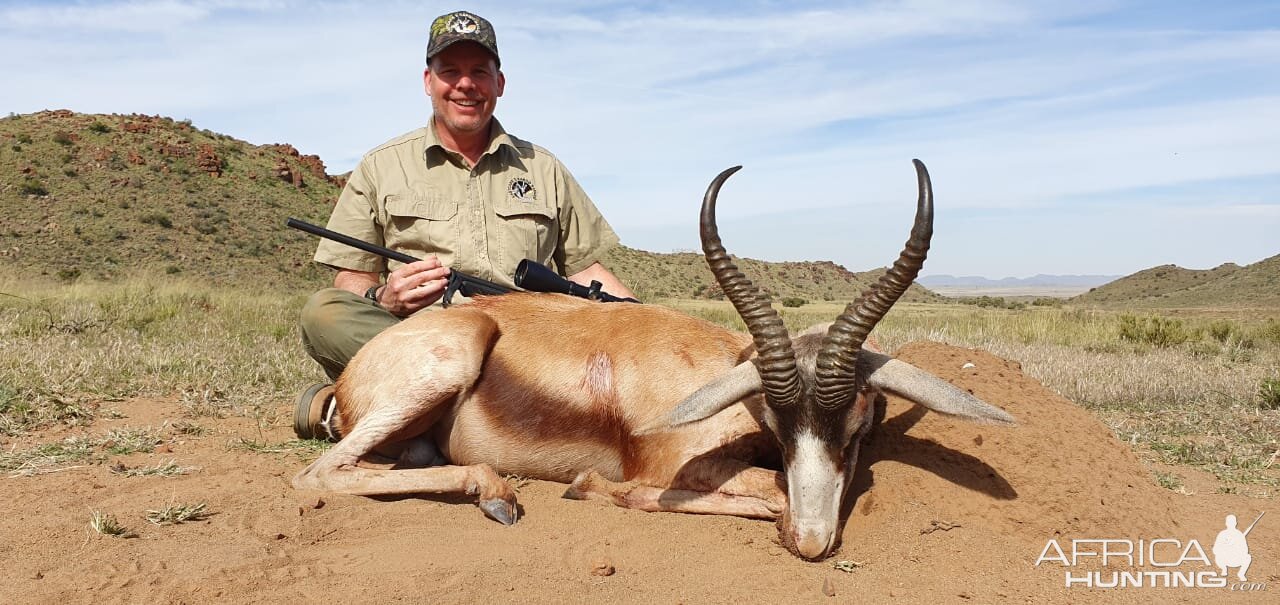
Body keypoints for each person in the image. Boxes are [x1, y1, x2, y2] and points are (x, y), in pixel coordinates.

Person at [295, 10, 634, 440]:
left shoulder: (544, 168)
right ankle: (492, 419)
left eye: (479, 72)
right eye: (450, 71)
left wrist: (649, 321)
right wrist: (384, 297)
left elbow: (585, 271)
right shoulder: (382, 166)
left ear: (499, 84)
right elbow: (351, 280)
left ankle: (377, 416)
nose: (465, 85)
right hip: (419, 339)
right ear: (428, 81)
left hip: (529, 349)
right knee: (324, 314)